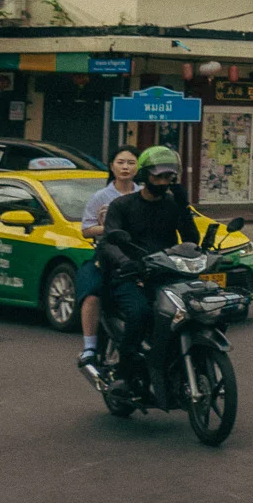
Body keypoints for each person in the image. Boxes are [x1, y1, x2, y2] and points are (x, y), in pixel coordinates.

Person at [96, 145, 200, 368]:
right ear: (145, 176)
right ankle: (125, 371)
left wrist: (184, 207)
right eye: (158, 177)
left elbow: (192, 240)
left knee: (198, 307)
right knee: (140, 313)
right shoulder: (122, 205)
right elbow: (108, 243)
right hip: (130, 275)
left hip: (165, 273)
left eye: (168, 177)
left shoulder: (173, 204)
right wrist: (126, 262)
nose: (163, 182)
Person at [73, 146, 139, 373]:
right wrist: (107, 227)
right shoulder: (100, 197)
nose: (125, 167)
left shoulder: (143, 194)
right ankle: (90, 347)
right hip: (107, 254)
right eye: (121, 162)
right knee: (92, 291)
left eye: (131, 162)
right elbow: (86, 229)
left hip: (138, 255)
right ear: (112, 166)